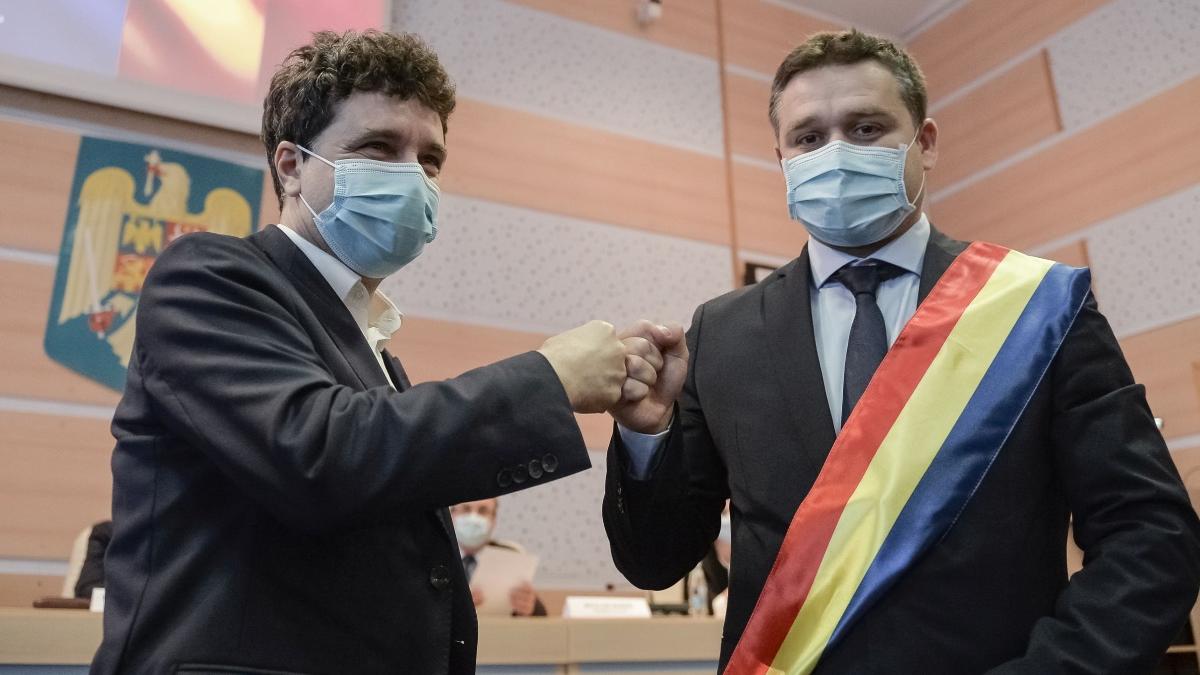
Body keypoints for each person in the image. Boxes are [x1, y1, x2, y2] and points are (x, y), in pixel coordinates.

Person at [605, 29, 1200, 674]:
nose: (836, 155)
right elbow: (656, 561)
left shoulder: (1035, 308)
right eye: (809, 138)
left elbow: (1151, 536)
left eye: (866, 129)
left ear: (927, 142)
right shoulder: (723, 332)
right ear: (782, 161)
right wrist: (647, 436)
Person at [92, 30, 639, 675]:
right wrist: (550, 379)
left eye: (429, 160)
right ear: (291, 166)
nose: (412, 176)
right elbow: (318, 454)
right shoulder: (208, 277)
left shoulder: (370, 341)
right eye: (379, 147)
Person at [451, 498, 546, 616]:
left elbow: (541, 616)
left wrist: (530, 607)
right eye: (466, 509)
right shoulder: (434, 556)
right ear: (452, 515)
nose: (473, 518)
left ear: (493, 520)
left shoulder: (511, 555)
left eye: (483, 510)